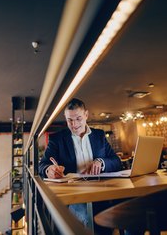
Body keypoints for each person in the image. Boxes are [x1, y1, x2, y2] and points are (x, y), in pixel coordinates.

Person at [39, 98, 122, 232]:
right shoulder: (57, 139)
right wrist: (49, 169)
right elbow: (42, 164)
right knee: (86, 219)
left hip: (102, 192)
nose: (74, 124)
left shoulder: (99, 135)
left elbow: (116, 161)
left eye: (78, 118)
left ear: (86, 115)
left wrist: (101, 163)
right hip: (74, 194)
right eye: (69, 120)